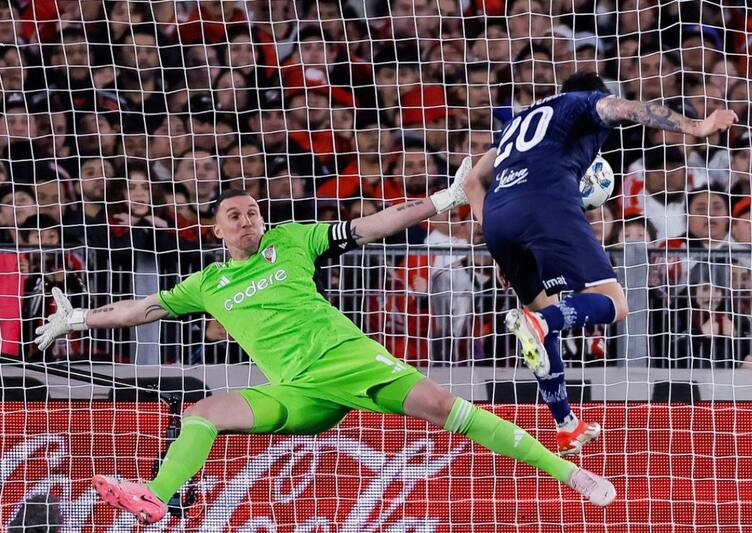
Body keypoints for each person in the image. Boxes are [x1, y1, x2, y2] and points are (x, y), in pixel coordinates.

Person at [35, 171, 616, 524]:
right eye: (234, 216)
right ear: (214, 230)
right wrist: (78, 319)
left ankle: (567, 472)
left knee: (445, 411)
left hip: (348, 359)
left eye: (253, 212)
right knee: (201, 413)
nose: (247, 221)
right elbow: (141, 309)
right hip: (297, 390)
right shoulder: (207, 285)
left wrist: (445, 200)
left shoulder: (290, 241)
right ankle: (158, 498)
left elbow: (372, 224)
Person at [464, 71, 738, 456]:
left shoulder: (516, 124)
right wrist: (698, 126)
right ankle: (541, 323)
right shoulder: (581, 104)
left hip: (497, 217)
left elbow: (473, 181)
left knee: (543, 314)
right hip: (547, 204)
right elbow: (628, 109)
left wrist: (493, 235)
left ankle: (565, 423)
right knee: (615, 303)